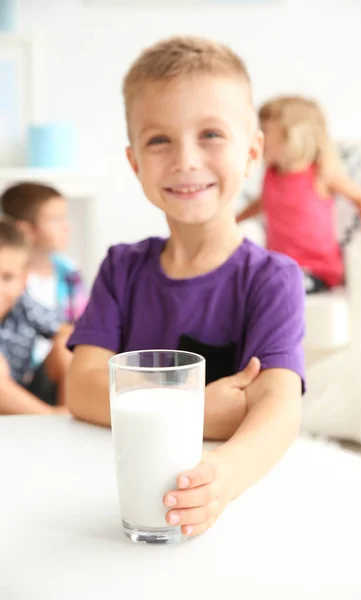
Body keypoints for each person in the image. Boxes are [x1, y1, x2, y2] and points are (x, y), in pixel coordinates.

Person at [66, 36, 305, 538]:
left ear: (253, 152)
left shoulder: (271, 278)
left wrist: (224, 477)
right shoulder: (122, 268)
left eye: (211, 134)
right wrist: (198, 408)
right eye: (159, 141)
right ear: (135, 164)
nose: (185, 160)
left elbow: (277, 407)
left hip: (218, 502)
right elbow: (80, 387)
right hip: (111, 491)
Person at [236, 96, 361, 293]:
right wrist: (232, 221)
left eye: (266, 131)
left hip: (317, 270)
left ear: (291, 135)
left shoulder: (320, 174)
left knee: (280, 285)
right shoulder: (271, 175)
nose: (258, 138)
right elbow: (261, 203)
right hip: (279, 265)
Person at [0, 181, 88, 365]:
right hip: (15, 372)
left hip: (49, 370)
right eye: (55, 220)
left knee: (65, 344)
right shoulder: (12, 286)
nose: (66, 226)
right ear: (25, 229)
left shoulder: (69, 272)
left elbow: (78, 328)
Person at [0, 218, 72, 414]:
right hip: (18, 406)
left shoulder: (22, 306)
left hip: (26, 395)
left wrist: (62, 338)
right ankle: (55, 418)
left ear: (23, 280)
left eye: (7, 278)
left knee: (67, 343)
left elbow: (66, 330)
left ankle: (70, 409)